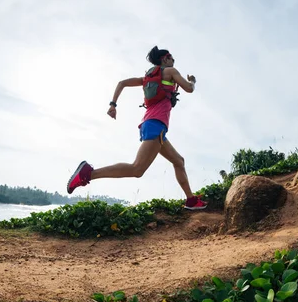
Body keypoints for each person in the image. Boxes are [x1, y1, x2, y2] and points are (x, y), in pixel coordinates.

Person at [66, 46, 208, 210]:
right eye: (171, 58)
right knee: (137, 169)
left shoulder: (146, 79)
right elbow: (189, 89)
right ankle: (88, 174)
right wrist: (193, 81)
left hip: (152, 125)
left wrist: (113, 105)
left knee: (178, 161)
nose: (173, 60)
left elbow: (122, 83)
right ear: (164, 59)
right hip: (156, 125)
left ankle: (191, 200)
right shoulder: (170, 71)